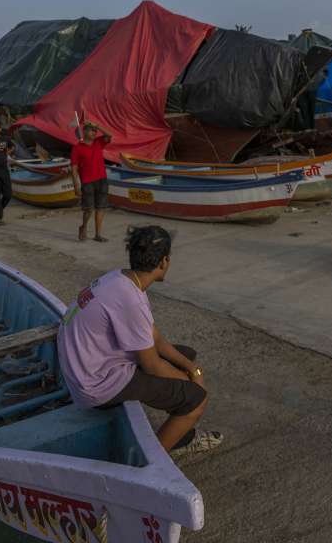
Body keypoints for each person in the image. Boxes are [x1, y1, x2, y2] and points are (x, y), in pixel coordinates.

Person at [57, 225, 223, 455]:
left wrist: (191, 368)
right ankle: (153, 460)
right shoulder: (129, 299)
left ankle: (180, 431)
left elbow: (152, 335)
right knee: (196, 399)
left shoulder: (122, 279)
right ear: (164, 262)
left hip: (88, 367)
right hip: (96, 384)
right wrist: (191, 381)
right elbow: (152, 365)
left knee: (185, 355)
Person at [71, 120, 113, 242]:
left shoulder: (99, 142)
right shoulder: (77, 148)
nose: (94, 132)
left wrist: (98, 125)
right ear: (84, 131)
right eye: (91, 130)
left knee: (101, 207)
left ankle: (98, 235)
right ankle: (83, 227)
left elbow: (109, 136)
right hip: (87, 182)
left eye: (95, 131)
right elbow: (74, 168)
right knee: (88, 209)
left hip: (102, 180)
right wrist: (76, 185)